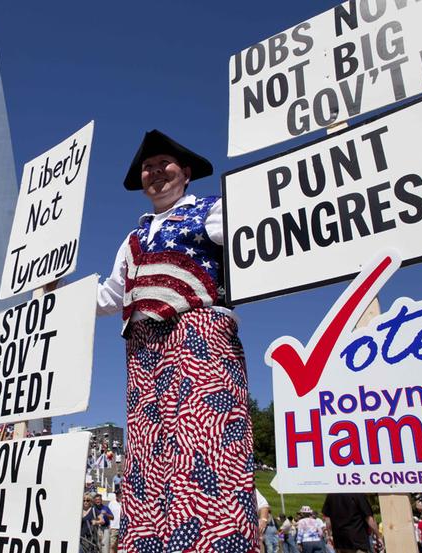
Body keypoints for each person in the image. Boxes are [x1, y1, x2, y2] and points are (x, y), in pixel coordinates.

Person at [97, 129, 256, 551]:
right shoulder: (132, 240)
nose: (154, 173)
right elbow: (111, 296)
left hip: (198, 334)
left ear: (185, 173)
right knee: (149, 455)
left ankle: (216, 542)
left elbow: (256, 236)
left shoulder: (212, 211)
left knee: (207, 443)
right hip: (143, 349)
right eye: (147, 168)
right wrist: (58, 296)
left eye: (162, 164)